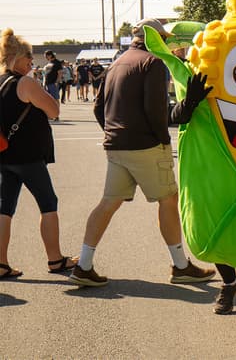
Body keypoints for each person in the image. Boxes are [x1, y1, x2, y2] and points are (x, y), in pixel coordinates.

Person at [69, 18, 216, 287]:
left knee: (107, 203)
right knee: (169, 200)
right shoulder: (153, 63)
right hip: (146, 146)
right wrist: (188, 106)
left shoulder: (118, 62)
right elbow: (158, 114)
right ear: (157, 38)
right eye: (166, 39)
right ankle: (181, 266)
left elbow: (97, 107)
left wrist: (114, 132)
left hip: (116, 145)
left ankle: (83, 264)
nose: (170, 45)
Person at [0, 28, 77, 279]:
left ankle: (1, 263)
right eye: (29, 59)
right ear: (17, 58)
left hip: (4, 155)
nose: (32, 63)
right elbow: (54, 110)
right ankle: (55, 259)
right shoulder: (25, 82)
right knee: (48, 204)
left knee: (5, 208)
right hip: (28, 156)